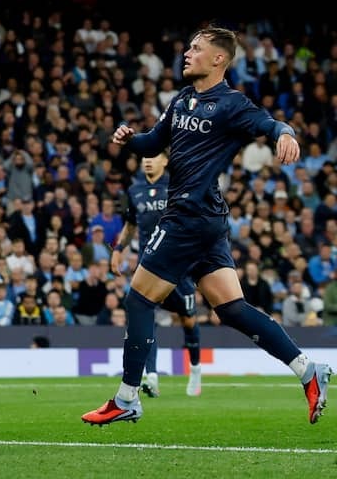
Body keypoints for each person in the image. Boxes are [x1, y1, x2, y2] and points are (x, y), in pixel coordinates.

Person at [83, 27, 329, 426]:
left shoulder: (231, 104)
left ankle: (127, 397)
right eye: (189, 46)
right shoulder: (181, 99)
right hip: (208, 220)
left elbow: (269, 124)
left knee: (139, 299)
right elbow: (152, 143)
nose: (187, 52)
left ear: (219, 59)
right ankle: (307, 368)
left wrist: (287, 133)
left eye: (197, 48)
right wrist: (130, 139)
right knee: (231, 309)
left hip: (189, 215)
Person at [111, 151, 203, 398]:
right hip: (148, 266)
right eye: (145, 157)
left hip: (177, 266)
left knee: (188, 320)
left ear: (165, 161)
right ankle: (151, 376)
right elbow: (131, 224)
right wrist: (118, 249)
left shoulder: (177, 185)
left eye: (154, 156)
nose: (148, 160)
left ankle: (195, 369)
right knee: (145, 316)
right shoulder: (134, 190)